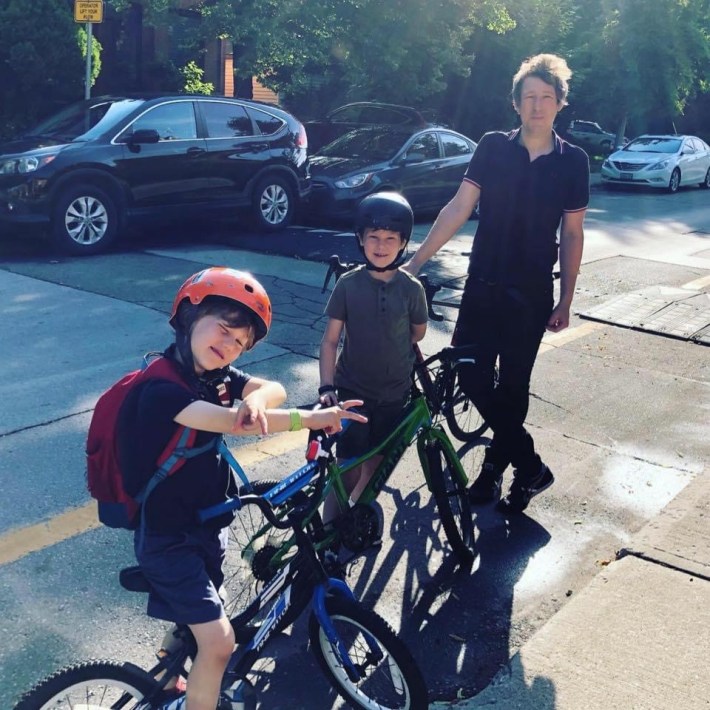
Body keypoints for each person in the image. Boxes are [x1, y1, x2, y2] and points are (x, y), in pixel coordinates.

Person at [117, 267, 367, 710]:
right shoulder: (160, 387)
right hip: (168, 538)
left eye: (241, 342)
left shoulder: (211, 374)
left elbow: (273, 387)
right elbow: (237, 424)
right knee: (219, 644)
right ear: (189, 315)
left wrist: (255, 396)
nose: (229, 345)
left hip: (205, 524)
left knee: (204, 610)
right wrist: (310, 418)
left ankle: (172, 669)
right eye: (224, 328)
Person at [405, 53, 588, 514]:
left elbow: (571, 233)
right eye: (529, 97)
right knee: (470, 375)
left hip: (529, 294)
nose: (537, 105)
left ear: (560, 104)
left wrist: (566, 298)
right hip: (482, 284)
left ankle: (494, 470)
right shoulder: (492, 147)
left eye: (547, 97)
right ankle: (531, 466)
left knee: (513, 388)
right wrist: (414, 262)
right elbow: (458, 207)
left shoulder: (574, 162)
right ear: (515, 103)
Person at [319, 192, 428, 522]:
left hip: (394, 393)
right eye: (374, 238)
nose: (381, 246)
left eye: (390, 239)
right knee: (347, 463)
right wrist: (327, 387)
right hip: (353, 392)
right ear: (361, 240)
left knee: (379, 461)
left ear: (403, 242)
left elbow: (418, 333)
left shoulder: (411, 288)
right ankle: (329, 527)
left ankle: (357, 512)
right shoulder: (349, 286)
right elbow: (329, 342)